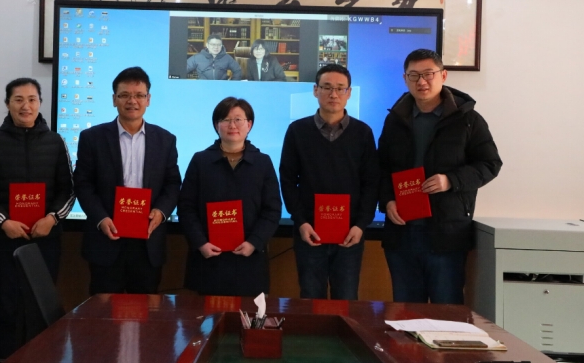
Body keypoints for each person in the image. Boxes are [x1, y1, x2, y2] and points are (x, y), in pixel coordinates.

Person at [378, 49, 501, 304]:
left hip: (447, 234)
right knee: (406, 313)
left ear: (443, 75)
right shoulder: (395, 120)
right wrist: (387, 201)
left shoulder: (468, 119)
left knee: (446, 312)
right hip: (402, 234)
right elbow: (381, 168)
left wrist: (451, 180)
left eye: (428, 74)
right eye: (414, 75)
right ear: (405, 79)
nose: (421, 81)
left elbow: (490, 164)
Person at [0, 78, 75, 358]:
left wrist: (52, 218)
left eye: (32, 99)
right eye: (18, 99)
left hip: (45, 239)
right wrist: (4, 222)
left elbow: (68, 190)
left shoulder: (56, 142)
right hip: (3, 240)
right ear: (8, 104)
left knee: (40, 303)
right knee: (4, 303)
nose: (25, 106)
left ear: (40, 103)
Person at [74, 67, 181, 294]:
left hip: (148, 242)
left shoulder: (165, 140)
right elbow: (83, 184)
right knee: (103, 310)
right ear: (114, 99)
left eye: (139, 95)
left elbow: (173, 183)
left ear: (148, 99)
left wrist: (161, 212)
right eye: (124, 95)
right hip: (106, 240)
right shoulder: (92, 138)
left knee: (145, 310)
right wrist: (101, 218)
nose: (132, 101)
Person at [279, 63, 379, 300]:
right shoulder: (297, 131)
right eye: (326, 87)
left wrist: (361, 225)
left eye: (340, 88)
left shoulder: (363, 133)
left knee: (346, 299)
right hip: (309, 233)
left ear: (349, 93)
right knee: (310, 297)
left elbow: (371, 182)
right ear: (315, 90)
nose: (333, 94)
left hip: (350, 234)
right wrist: (301, 222)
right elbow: (288, 179)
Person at [178, 97, 281, 296]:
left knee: (247, 315)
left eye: (238, 119)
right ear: (216, 125)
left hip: (249, 260)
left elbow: (272, 210)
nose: (232, 125)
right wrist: (201, 243)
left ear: (249, 125)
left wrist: (254, 242)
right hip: (208, 260)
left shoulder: (262, 163)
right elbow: (186, 207)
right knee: (204, 315)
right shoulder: (201, 161)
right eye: (225, 120)